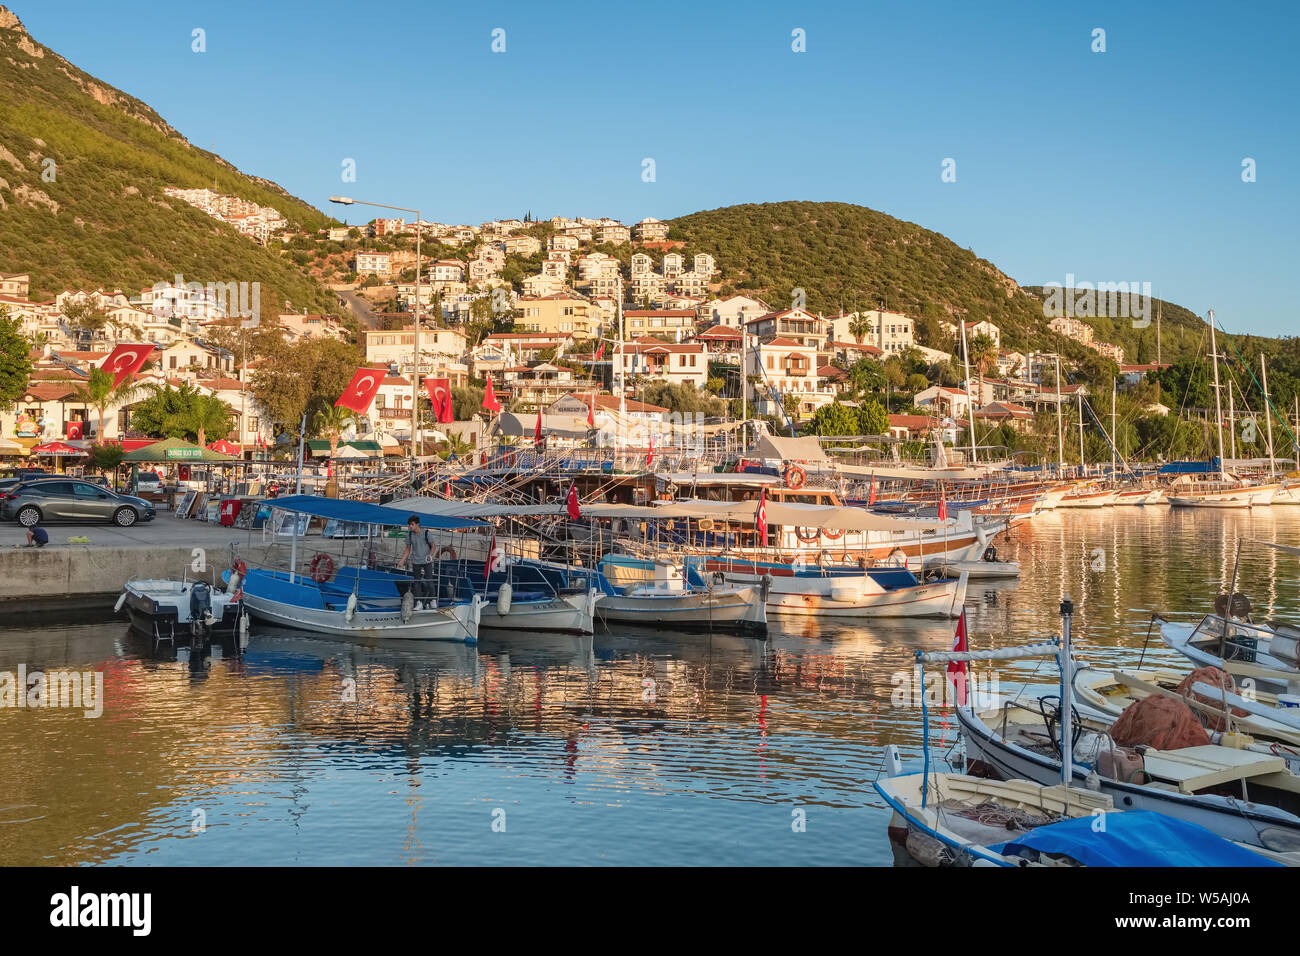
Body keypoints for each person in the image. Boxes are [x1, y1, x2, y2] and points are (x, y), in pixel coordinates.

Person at [398, 515, 435, 607]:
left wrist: (430, 556)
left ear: (417, 524)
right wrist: (402, 560)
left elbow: (433, 545)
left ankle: (433, 600)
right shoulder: (409, 535)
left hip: (427, 561)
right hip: (415, 561)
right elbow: (407, 549)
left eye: (412, 524)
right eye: (409, 525)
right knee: (417, 583)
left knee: (430, 581)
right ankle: (419, 602)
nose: (410, 526)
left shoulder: (426, 533)